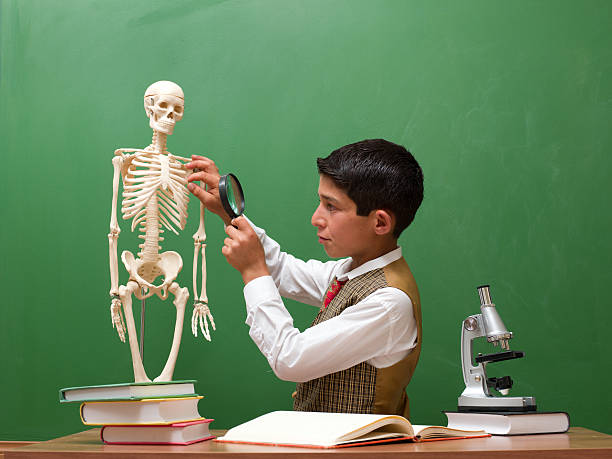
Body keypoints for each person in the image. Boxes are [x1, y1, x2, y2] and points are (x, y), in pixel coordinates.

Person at [185, 138, 424, 417]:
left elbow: (290, 359)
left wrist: (253, 271)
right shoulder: (351, 271)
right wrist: (230, 212)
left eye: (331, 206)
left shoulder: (388, 304)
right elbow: (285, 271)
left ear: (380, 223)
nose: (316, 218)